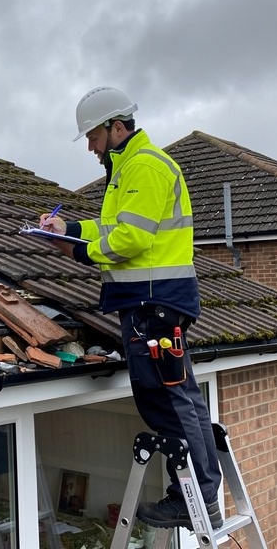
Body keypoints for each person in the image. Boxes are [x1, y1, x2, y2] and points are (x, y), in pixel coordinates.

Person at [39, 86, 223, 530]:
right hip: (155, 302)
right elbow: (112, 227)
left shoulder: (143, 167)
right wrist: (70, 229)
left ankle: (195, 496)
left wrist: (76, 251)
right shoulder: (129, 169)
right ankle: (202, 490)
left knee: (164, 400)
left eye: (94, 137)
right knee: (180, 398)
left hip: (153, 303)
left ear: (116, 127)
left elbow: (130, 240)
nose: (90, 146)